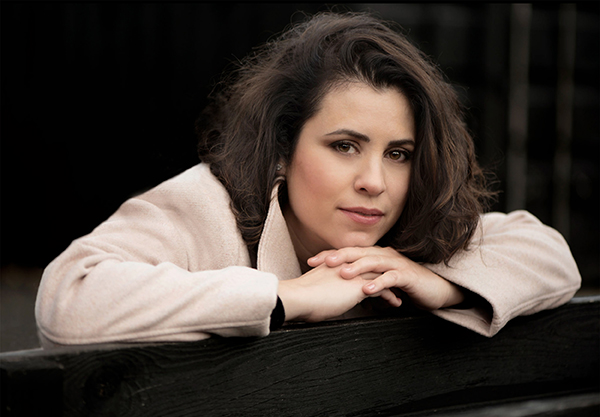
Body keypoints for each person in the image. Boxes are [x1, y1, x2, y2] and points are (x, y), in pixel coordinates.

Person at [35, 11, 580, 347]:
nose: (375, 181)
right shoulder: (206, 207)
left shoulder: (410, 234)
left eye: (399, 154)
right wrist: (285, 297)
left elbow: (550, 254)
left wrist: (439, 284)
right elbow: (69, 301)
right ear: (282, 147)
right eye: (344, 146)